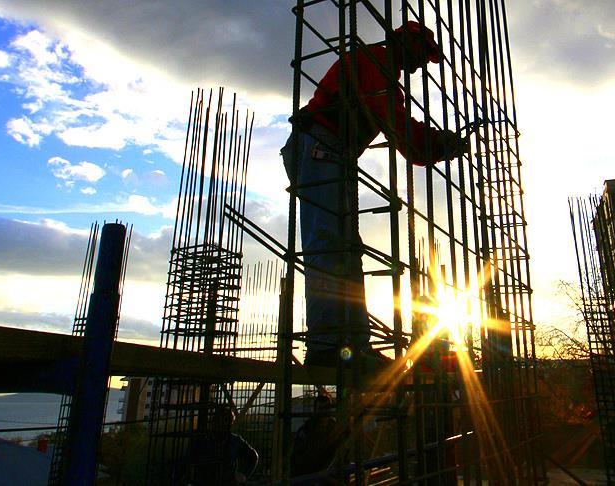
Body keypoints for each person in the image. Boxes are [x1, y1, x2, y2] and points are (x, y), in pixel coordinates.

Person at [282, 21, 468, 369]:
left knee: (347, 252)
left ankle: (351, 347)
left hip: (331, 151)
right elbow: (406, 137)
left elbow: (409, 143)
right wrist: (444, 143)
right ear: (404, 42)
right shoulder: (373, 65)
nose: (420, 64)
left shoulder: (379, 72)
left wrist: (441, 144)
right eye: (422, 54)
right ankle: (326, 347)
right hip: (319, 146)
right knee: (327, 244)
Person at [182, 406, 259, 485]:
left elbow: (253, 456)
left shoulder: (234, 441)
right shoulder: (201, 440)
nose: (217, 423)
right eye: (216, 420)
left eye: (222, 420)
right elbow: (186, 462)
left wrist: (243, 476)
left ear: (229, 424)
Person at [290, 393, 342, 483]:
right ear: (315, 410)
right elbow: (298, 457)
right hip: (310, 474)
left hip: (327, 474)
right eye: (321, 409)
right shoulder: (307, 430)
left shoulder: (335, 428)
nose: (324, 412)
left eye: (326, 408)